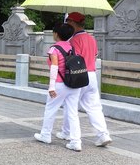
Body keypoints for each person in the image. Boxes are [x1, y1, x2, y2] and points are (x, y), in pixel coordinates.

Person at [58, 12, 112, 147]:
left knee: (70, 105)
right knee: (94, 107)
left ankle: (67, 133)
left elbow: (72, 59)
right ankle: (103, 134)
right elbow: (95, 55)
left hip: (78, 74)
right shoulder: (91, 38)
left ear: (72, 23)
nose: (66, 25)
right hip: (92, 74)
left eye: (67, 22)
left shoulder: (73, 40)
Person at [34, 22, 82, 151]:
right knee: (73, 113)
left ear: (56, 34)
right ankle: (76, 141)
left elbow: (54, 67)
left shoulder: (54, 49)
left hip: (59, 84)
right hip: (73, 83)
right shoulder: (72, 47)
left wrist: (51, 86)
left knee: (51, 109)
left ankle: (45, 135)